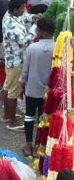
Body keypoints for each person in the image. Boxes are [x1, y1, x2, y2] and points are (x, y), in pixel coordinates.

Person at [20, 18, 55, 156]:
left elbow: (25, 70)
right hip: (49, 92)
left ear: (44, 33)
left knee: (29, 116)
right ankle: (38, 146)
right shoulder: (58, 47)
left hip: (32, 90)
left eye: (38, 30)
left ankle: (29, 146)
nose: (36, 32)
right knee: (42, 118)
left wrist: (22, 85)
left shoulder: (32, 48)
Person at [2, 0, 38, 131]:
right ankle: (12, 122)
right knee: (13, 92)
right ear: (15, 9)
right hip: (16, 61)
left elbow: (25, 17)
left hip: (12, 59)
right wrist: (35, 27)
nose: (24, 10)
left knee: (7, 86)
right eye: (22, 8)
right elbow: (24, 41)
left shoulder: (11, 14)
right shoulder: (10, 24)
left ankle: (7, 114)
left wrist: (34, 17)